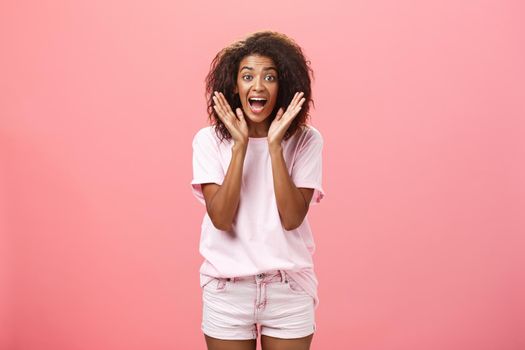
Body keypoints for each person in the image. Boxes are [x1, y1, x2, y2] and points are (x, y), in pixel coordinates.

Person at [191, 30, 325, 350]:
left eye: (270, 76)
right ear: (234, 86)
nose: (258, 86)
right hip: (228, 290)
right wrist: (240, 148)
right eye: (247, 76)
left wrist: (275, 147)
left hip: (287, 289)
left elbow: (292, 218)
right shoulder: (209, 141)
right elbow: (221, 218)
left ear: (285, 86)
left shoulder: (307, 140)